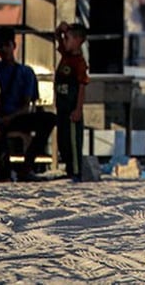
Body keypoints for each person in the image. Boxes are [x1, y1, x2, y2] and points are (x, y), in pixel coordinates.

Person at [0, 27, 56, 181]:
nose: (3, 49)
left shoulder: (25, 72)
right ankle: (6, 169)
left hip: (15, 117)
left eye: (6, 45)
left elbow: (27, 105)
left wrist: (9, 117)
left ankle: (27, 165)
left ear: (13, 45)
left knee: (50, 118)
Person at [55, 22, 89, 181]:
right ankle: (68, 169)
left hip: (71, 109)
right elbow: (57, 38)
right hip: (61, 107)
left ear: (78, 40)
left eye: (67, 38)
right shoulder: (66, 56)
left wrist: (78, 109)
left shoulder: (79, 62)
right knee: (62, 141)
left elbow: (82, 86)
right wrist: (60, 30)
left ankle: (75, 171)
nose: (64, 41)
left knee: (73, 142)